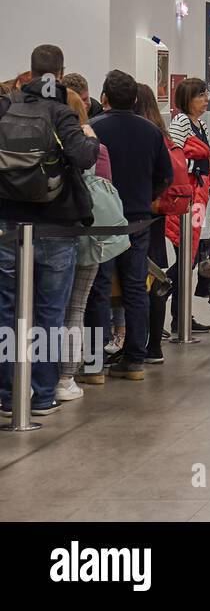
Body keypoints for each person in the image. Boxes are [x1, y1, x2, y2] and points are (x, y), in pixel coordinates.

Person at [0, 46, 100, 415]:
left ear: (29, 73)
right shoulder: (60, 111)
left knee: (6, 311)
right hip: (56, 226)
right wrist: (90, 135)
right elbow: (86, 157)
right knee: (49, 313)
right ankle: (42, 395)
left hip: (8, 224)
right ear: (59, 74)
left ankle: (9, 396)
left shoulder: (7, 106)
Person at [85, 70, 173, 383]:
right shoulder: (151, 131)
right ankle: (134, 360)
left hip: (102, 222)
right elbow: (166, 175)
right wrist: (145, 197)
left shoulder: (93, 129)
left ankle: (94, 366)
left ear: (104, 97)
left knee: (98, 289)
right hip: (138, 220)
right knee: (136, 287)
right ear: (135, 99)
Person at [55, 89, 113, 400]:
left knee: (46, 307)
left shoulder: (46, 142)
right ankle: (67, 377)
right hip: (87, 233)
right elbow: (103, 188)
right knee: (77, 305)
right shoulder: (95, 147)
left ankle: (39, 377)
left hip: (46, 231)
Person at [168, 77, 210, 336]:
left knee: (190, 257)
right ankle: (158, 296)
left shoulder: (200, 125)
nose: (206, 100)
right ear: (187, 99)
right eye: (201, 95)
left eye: (206, 95)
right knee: (185, 257)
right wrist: (202, 166)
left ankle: (182, 314)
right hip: (184, 200)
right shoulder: (180, 124)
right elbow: (174, 162)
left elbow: (206, 169)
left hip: (200, 198)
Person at [132, 82, 180, 365]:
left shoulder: (138, 134)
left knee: (135, 279)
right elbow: (167, 176)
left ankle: (134, 342)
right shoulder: (161, 133)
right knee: (157, 275)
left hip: (135, 216)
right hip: (157, 213)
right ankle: (154, 347)